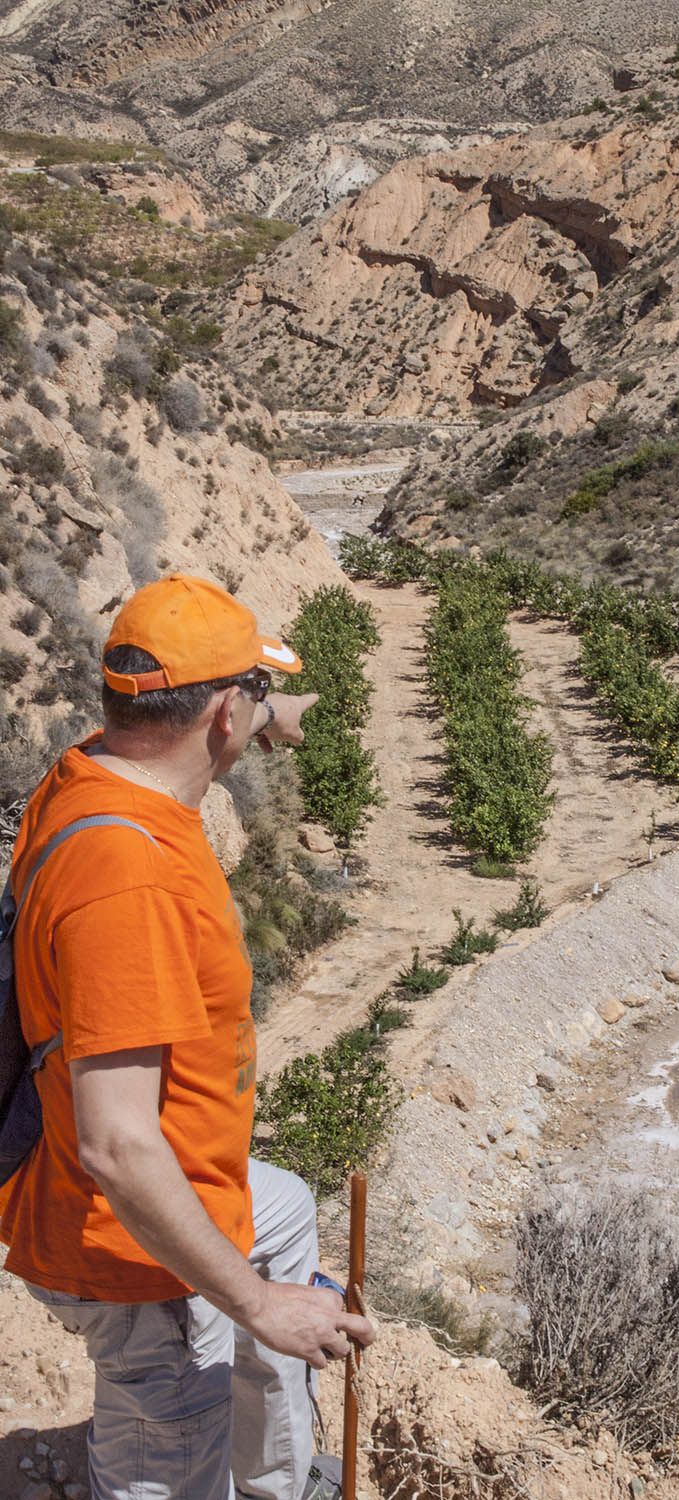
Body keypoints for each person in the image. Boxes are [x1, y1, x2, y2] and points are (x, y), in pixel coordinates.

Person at [0, 573, 374, 1500]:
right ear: (217, 714)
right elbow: (119, 1146)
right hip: (123, 1243)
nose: (265, 714)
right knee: (166, 1436)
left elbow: (204, 714)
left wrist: (264, 713)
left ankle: (274, 1482)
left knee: (280, 1214)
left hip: (172, 1178)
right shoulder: (129, 883)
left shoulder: (93, 772)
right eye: (254, 694)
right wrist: (254, 1306)